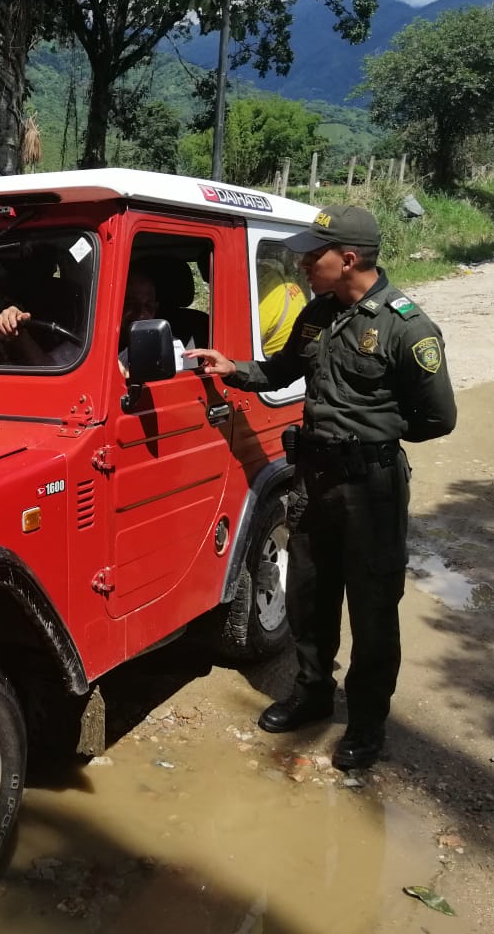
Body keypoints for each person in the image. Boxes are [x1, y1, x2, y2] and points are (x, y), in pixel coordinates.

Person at [184, 204, 457, 771]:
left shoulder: (407, 327)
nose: (304, 262)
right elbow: (281, 371)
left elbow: (438, 419)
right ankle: (312, 694)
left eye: (315, 254)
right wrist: (230, 366)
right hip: (314, 480)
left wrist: (370, 434)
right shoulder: (317, 313)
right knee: (310, 596)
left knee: (374, 609)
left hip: (371, 487)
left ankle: (365, 724)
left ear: (348, 259)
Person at [257, 261, 304, 356]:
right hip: (294, 352)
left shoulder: (268, 302)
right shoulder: (289, 284)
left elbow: (245, 340)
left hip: (271, 360)